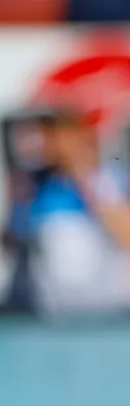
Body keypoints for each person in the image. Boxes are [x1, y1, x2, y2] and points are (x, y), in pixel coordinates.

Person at [23, 108, 130, 317]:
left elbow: (126, 235)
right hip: (56, 312)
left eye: (60, 134)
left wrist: (86, 179)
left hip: (106, 312)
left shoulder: (107, 179)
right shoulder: (42, 186)